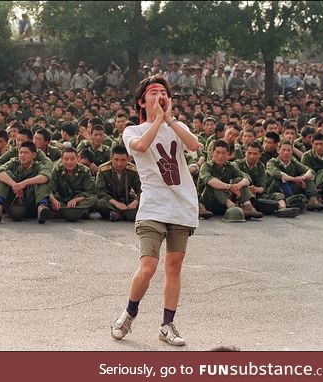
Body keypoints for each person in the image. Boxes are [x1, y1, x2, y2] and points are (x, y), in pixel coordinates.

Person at [111, 75, 201, 347]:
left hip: (182, 205)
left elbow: (195, 146)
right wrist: (158, 120)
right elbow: (140, 147)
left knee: (174, 267)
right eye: (153, 92)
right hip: (153, 206)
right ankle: (129, 313)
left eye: (163, 92)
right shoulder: (132, 131)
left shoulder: (177, 126)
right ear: (142, 101)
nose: (159, 95)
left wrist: (170, 120)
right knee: (148, 266)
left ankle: (167, 324)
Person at [0, 141, 51, 223]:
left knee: (39, 180)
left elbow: (45, 176)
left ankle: (42, 207)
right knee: (7, 175)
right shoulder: (14, 162)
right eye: (20, 152)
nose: (22, 155)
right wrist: (14, 185)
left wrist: (24, 183)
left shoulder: (38, 166)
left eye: (26, 153)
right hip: (13, 200)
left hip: (31, 201)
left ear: (34, 155)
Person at [198, 140, 263, 219]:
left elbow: (247, 178)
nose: (220, 156)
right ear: (212, 153)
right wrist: (229, 186)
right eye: (217, 152)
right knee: (215, 182)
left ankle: (248, 206)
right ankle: (233, 207)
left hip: (223, 201)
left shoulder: (230, 166)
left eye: (223, 153)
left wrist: (238, 186)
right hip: (208, 201)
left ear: (228, 154)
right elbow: (211, 181)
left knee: (239, 180)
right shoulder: (206, 166)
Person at [48, 147, 97, 221]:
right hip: (63, 201)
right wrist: (53, 200)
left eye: (72, 159)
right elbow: (50, 190)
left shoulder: (85, 171)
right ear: (62, 159)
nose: (69, 162)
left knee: (94, 199)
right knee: (49, 201)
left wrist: (76, 200)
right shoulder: (56, 170)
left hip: (79, 202)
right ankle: (78, 213)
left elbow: (90, 191)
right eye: (66, 159)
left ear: (77, 158)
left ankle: (65, 213)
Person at [95, 145, 141, 221]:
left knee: (144, 204)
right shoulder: (103, 169)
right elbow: (100, 191)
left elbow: (141, 189)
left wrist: (135, 202)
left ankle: (118, 215)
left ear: (128, 159)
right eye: (116, 160)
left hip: (127, 202)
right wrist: (116, 203)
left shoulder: (133, 170)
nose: (119, 163)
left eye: (123, 160)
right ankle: (126, 214)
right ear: (111, 158)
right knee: (99, 203)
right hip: (111, 202)